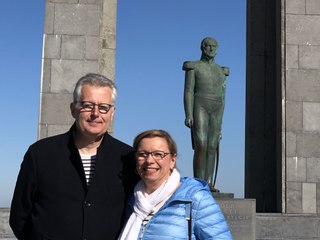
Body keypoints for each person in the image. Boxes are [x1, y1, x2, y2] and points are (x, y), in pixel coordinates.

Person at [10, 73, 139, 240]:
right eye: (87, 105)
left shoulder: (128, 158)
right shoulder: (40, 154)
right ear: (73, 109)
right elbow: (19, 216)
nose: (95, 113)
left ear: (112, 113)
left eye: (103, 107)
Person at [118, 129, 232, 240]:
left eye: (158, 154)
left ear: (172, 160)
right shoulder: (133, 201)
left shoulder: (196, 199)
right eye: (142, 154)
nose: (149, 160)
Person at [183, 37, 229, 191]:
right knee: (201, 143)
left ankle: (208, 183)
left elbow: (223, 97)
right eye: (207, 45)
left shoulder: (221, 71)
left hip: (217, 106)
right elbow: (188, 91)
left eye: (213, 46)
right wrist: (188, 113)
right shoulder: (194, 67)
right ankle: (198, 182)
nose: (211, 48)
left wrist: (220, 126)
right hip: (200, 103)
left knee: (212, 145)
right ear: (202, 47)